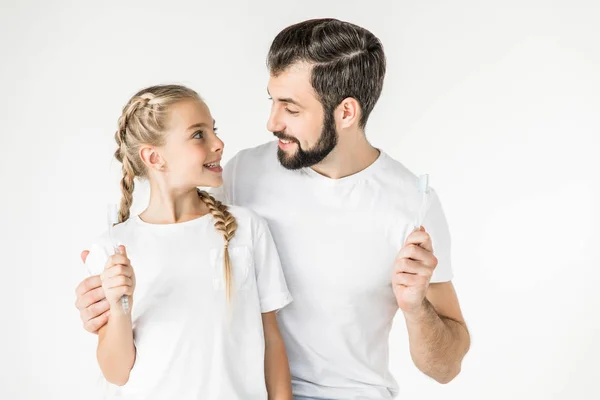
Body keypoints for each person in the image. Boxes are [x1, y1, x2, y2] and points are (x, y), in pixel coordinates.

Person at [76, 19, 470, 400]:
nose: (271, 122)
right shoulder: (241, 175)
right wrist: (103, 300)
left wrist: (416, 308)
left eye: (291, 108)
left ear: (346, 113)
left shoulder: (410, 206)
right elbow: (169, 250)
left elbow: (446, 367)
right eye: (272, 100)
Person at [81, 84, 293, 399]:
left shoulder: (246, 229)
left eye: (213, 130)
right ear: (154, 157)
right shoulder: (114, 248)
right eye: (198, 135)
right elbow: (117, 372)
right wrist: (119, 306)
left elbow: (272, 341)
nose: (218, 143)